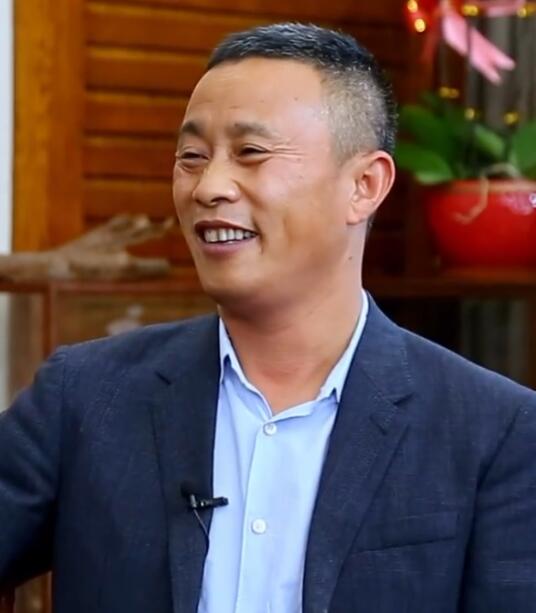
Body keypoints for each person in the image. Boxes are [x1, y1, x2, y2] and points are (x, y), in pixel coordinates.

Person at [1, 22, 536, 613]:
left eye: (250, 153)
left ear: (364, 185)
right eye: (191, 157)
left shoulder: (496, 431)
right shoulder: (83, 397)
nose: (209, 187)